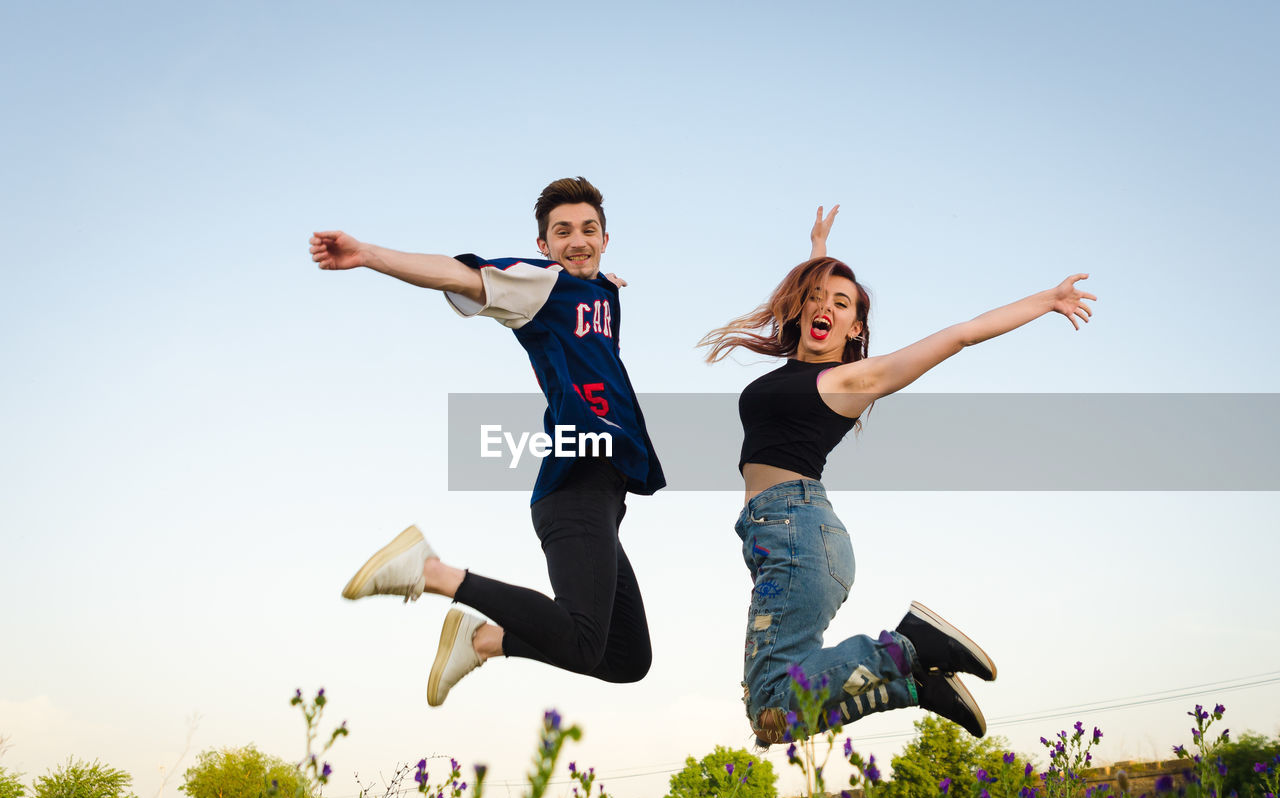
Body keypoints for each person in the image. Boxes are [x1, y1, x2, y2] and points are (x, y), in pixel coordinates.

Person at [700, 206, 1096, 745]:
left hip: (797, 532)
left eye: (842, 305)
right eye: (816, 298)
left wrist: (1045, 301)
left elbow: (960, 336)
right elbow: (814, 297)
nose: (825, 309)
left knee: (770, 700)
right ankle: (913, 687)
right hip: (783, 538)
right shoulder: (801, 360)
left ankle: (912, 646)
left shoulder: (853, 379)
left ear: (856, 327)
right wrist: (817, 249)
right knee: (774, 719)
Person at [310, 177, 664, 706]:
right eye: (562, 232)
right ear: (543, 246)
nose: (577, 240)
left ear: (606, 239)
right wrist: (367, 254)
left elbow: (592, 317)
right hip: (576, 484)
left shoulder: (597, 292)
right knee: (583, 638)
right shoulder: (542, 282)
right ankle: (430, 572)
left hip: (605, 495)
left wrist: (605, 285)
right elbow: (461, 275)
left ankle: (484, 640)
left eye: (588, 230)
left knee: (625, 658)